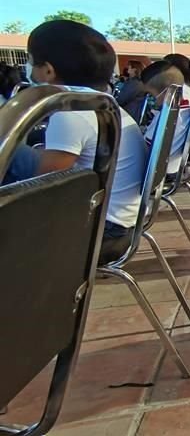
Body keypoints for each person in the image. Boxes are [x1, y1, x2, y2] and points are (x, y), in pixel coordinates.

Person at [1, 20, 147, 264]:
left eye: (29, 60)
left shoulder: (72, 110)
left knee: (14, 156)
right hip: (122, 224)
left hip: (102, 233)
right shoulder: (104, 106)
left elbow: (43, 183)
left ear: (48, 70)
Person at [141, 60, 190, 176]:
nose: (151, 100)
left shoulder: (166, 118)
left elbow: (144, 150)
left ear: (167, 91)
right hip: (173, 167)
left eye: (151, 95)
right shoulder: (183, 108)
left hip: (155, 174)